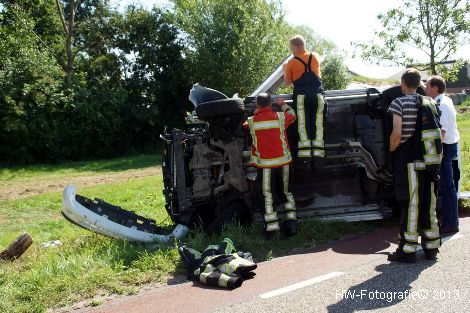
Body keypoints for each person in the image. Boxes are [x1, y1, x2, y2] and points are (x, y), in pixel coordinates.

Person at [388, 68, 442, 263]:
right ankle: (431, 248)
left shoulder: (398, 102)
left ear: (403, 82)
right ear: (419, 83)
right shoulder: (430, 102)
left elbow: (396, 133)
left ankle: (408, 250)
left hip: (408, 160)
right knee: (429, 203)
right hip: (430, 160)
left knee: (410, 203)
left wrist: (392, 150)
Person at [243, 93, 297, 239]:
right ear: (270, 104)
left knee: (267, 195)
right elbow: (293, 114)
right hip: (284, 162)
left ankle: (273, 230)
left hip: (266, 166)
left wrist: (256, 112)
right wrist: (282, 104)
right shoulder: (280, 117)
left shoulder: (252, 121)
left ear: (257, 105)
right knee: (287, 192)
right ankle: (292, 225)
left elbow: (245, 126)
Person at [426, 75, 461, 234]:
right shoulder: (443, 101)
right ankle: (449, 221)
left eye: (427, 86)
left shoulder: (442, 105)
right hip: (447, 147)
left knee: (447, 186)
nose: (426, 89)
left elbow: (442, 131)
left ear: (435, 88)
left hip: (444, 148)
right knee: (447, 185)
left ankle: (451, 223)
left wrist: (437, 153)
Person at [283, 35, 326, 159]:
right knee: (318, 123)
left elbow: (287, 83)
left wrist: (285, 69)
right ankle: (318, 154)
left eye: (291, 47)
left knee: (302, 124)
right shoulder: (315, 56)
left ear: (296, 46)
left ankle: (305, 155)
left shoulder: (291, 63)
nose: (291, 50)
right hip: (318, 96)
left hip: (301, 97)